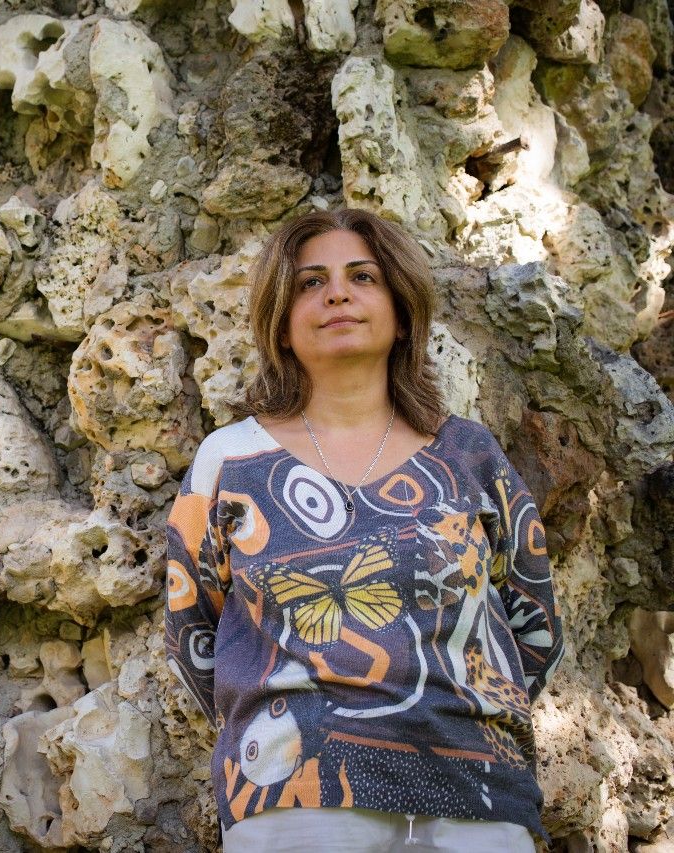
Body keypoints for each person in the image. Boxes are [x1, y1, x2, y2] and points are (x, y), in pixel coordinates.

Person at [164, 209, 563, 852]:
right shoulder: (228, 461)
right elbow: (193, 630)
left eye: (363, 276)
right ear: (282, 326)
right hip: (296, 798)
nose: (337, 293)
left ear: (401, 311)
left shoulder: (468, 454)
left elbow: (533, 618)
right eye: (309, 282)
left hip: (477, 792)